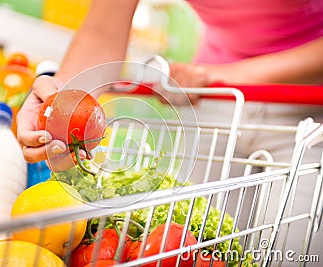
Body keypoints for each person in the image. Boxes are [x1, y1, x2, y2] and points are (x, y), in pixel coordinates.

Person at [17, 0, 323, 264]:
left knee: (290, 249)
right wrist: (59, 104)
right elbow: (103, 29)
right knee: (207, 244)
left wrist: (228, 74)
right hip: (213, 98)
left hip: (308, 105)